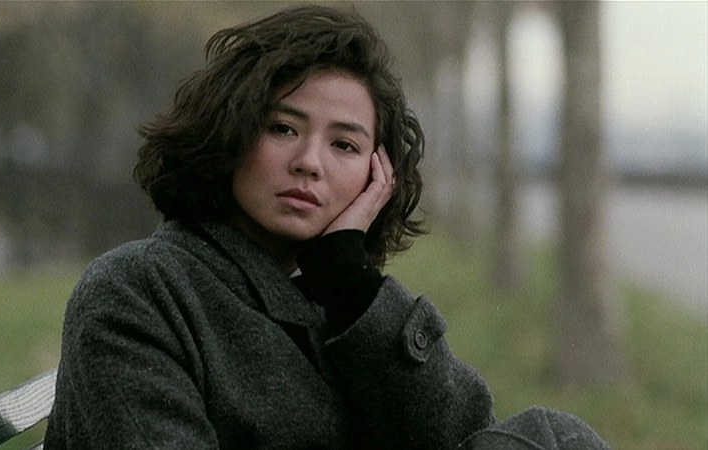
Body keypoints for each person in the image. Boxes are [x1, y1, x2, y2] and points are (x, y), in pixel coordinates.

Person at [44, 5, 609, 449]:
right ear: (230, 133)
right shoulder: (138, 291)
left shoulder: (332, 304)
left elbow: (463, 433)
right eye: (283, 129)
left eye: (344, 145)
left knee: (554, 436)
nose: (310, 162)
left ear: (375, 176)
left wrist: (351, 283)